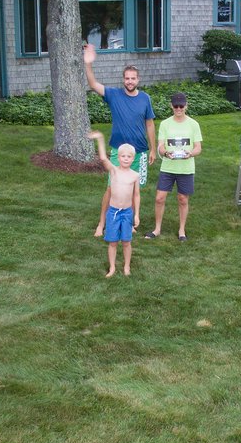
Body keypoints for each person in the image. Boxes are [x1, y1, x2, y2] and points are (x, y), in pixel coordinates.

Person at [84, 43, 155, 237]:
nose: (130, 81)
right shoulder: (114, 95)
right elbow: (93, 84)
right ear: (123, 79)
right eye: (127, 78)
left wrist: (153, 149)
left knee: (132, 189)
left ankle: (128, 223)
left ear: (138, 79)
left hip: (139, 152)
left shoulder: (145, 99)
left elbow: (150, 124)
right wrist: (88, 63)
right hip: (118, 151)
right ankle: (102, 224)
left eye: (133, 78)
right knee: (111, 188)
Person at [145, 92, 203, 241]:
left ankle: (181, 230)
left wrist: (190, 153)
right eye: (176, 106)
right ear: (171, 106)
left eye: (181, 106)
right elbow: (160, 146)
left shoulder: (193, 124)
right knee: (159, 198)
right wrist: (165, 153)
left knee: (183, 199)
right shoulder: (165, 124)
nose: (178, 109)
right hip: (168, 168)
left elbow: (198, 148)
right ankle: (157, 229)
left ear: (186, 106)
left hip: (186, 168)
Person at [87, 131, 140, 278]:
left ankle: (127, 267)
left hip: (127, 213)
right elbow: (103, 158)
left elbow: (136, 195)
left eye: (129, 156)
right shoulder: (114, 171)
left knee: (126, 242)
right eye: (123, 156)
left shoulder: (135, 175)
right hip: (113, 212)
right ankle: (112, 268)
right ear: (118, 157)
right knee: (113, 242)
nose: (126, 159)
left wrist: (136, 214)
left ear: (133, 158)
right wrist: (100, 139)